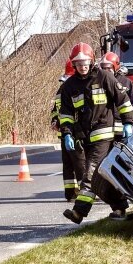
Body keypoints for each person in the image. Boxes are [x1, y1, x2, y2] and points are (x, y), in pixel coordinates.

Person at [59, 43, 133, 224]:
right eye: (78, 63)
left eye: (85, 62)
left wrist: (128, 122)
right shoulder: (69, 86)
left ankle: (79, 212)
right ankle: (119, 208)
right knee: (102, 176)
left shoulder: (104, 77)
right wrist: (67, 133)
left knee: (90, 173)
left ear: (92, 60)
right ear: (73, 64)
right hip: (84, 137)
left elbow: (123, 100)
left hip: (103, 133)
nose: (82, 66)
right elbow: (66, 113)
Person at [51, 59, 84, 202]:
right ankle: (85, 193)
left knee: (69, 165)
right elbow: (59, 110)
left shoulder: (61, 89)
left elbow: (55, 111)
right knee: (79, 164)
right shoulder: (71, 88)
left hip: (65, 133)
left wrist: (55, 120)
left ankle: (70, 193)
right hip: (73, 132)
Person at [99, 52, 133, 139]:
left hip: (122, 129)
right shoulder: (98, 82)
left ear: (116, 67)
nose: (106, 71)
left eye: (109, 68)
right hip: (104, 130)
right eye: (103, 68)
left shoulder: (127, 82)